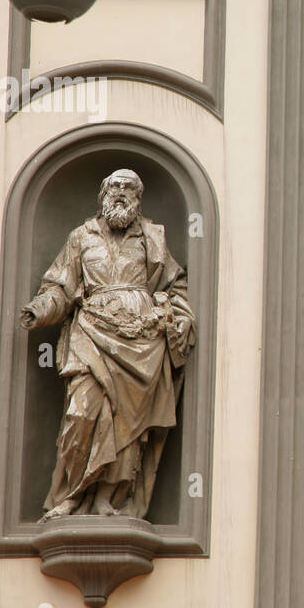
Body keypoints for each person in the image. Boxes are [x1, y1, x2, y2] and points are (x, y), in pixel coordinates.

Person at [20, 168, 195, 521]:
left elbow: (176, 287)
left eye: (129, 187)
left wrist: (180, 318)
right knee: (81, 414)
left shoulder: (153, 237)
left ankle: (106, 499)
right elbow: (61, 287)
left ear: (138, 197)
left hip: (142, 344)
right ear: (103, 194)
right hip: (91, 336)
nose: (121, 192)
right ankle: (70, 496)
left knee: (127, 427)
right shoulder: (81, 238)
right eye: (114, 186)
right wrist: (40, 309)